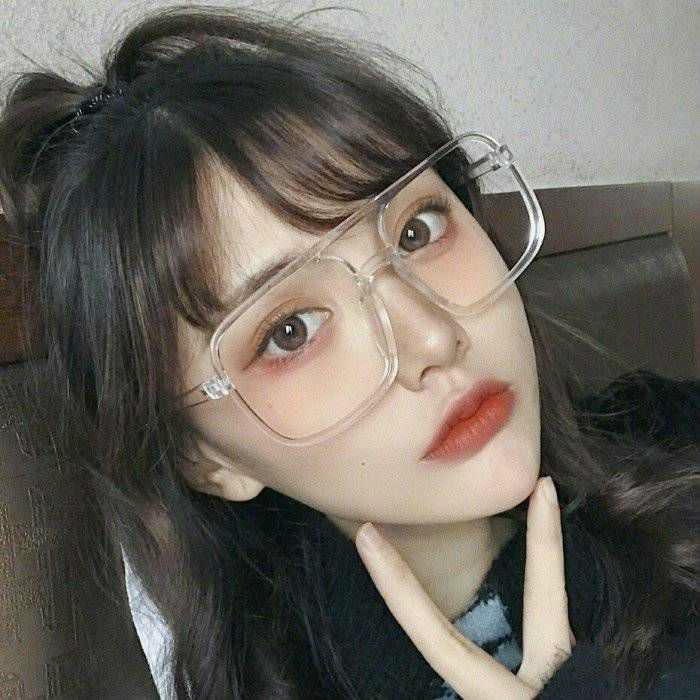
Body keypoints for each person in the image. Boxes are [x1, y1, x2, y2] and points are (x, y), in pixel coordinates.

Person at [0, 4, 698, 699]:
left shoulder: (676, 443)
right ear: (205, 459)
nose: (434, 337)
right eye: (291, 331)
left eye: (417, 231)